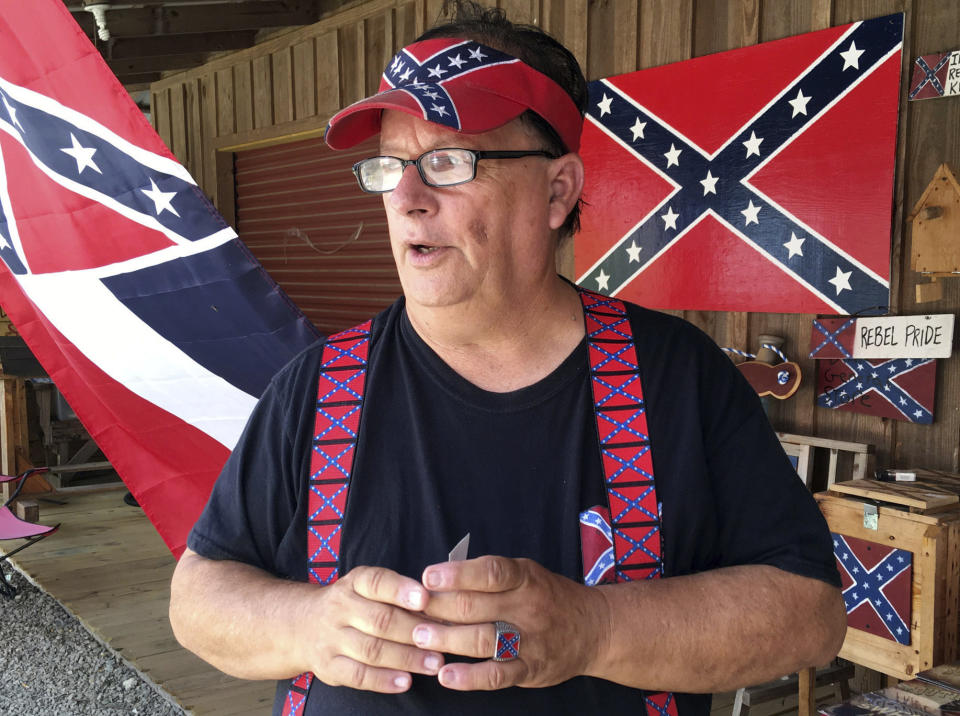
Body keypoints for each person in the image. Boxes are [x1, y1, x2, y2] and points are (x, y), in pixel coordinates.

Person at [169, 3, 847, 714]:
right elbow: (198, 600)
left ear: (558, 191)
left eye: (447, 162)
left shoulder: (678, 378)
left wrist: (595, 628)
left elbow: (808, 617)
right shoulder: (315, 390)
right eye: (389, 166)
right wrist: (306, 625)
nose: (406, 198)